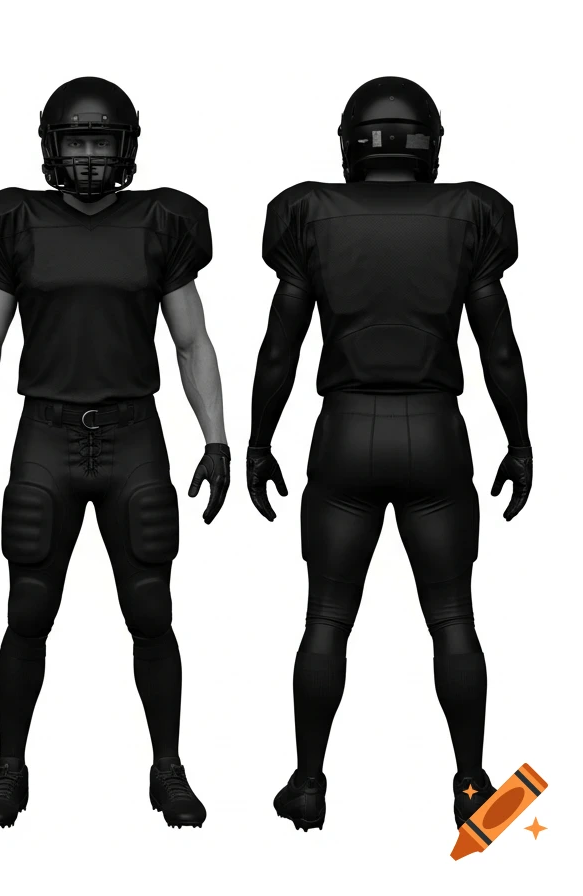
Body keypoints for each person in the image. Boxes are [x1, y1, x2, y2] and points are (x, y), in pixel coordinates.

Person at [246, 76, 532, 832]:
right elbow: (497, 346)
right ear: (428, 143)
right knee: (453, 619)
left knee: (327, 619)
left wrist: (257, 437)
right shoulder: (471, 215)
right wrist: (519, 438)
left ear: (354, 144)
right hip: (436, 429)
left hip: (344, 429)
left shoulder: (309, 215)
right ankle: (472, 786)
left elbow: (281, 345)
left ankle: (308, 784)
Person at [0, 76, 229, 829]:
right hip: (47, 432)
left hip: (135, 432)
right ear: (51, 149)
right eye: (77, 143)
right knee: (28, 612)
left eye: (101, 142)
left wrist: (216, 437)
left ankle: (167, 768)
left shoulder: (160, 224)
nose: (90, 158)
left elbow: (191, 339)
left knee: (151, 613)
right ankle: (10, 768)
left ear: (127, 148)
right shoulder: (18, 225)